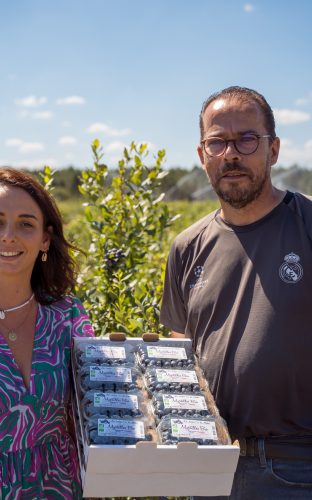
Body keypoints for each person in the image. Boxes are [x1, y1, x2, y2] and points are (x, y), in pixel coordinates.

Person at [160, 86, 312, 499]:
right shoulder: (187, 247)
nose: (231, 153)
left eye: (247, 139)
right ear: (202, 155)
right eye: (217, 141)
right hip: (208, 469)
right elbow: (179, 352)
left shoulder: (307, 224)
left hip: (296, 470)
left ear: (274, 149)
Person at [0, 167, 94, 499]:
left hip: (59, 488)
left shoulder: (68, 317)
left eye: (26, 224)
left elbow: (86, 418)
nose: (9, 236)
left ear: (45, 239)